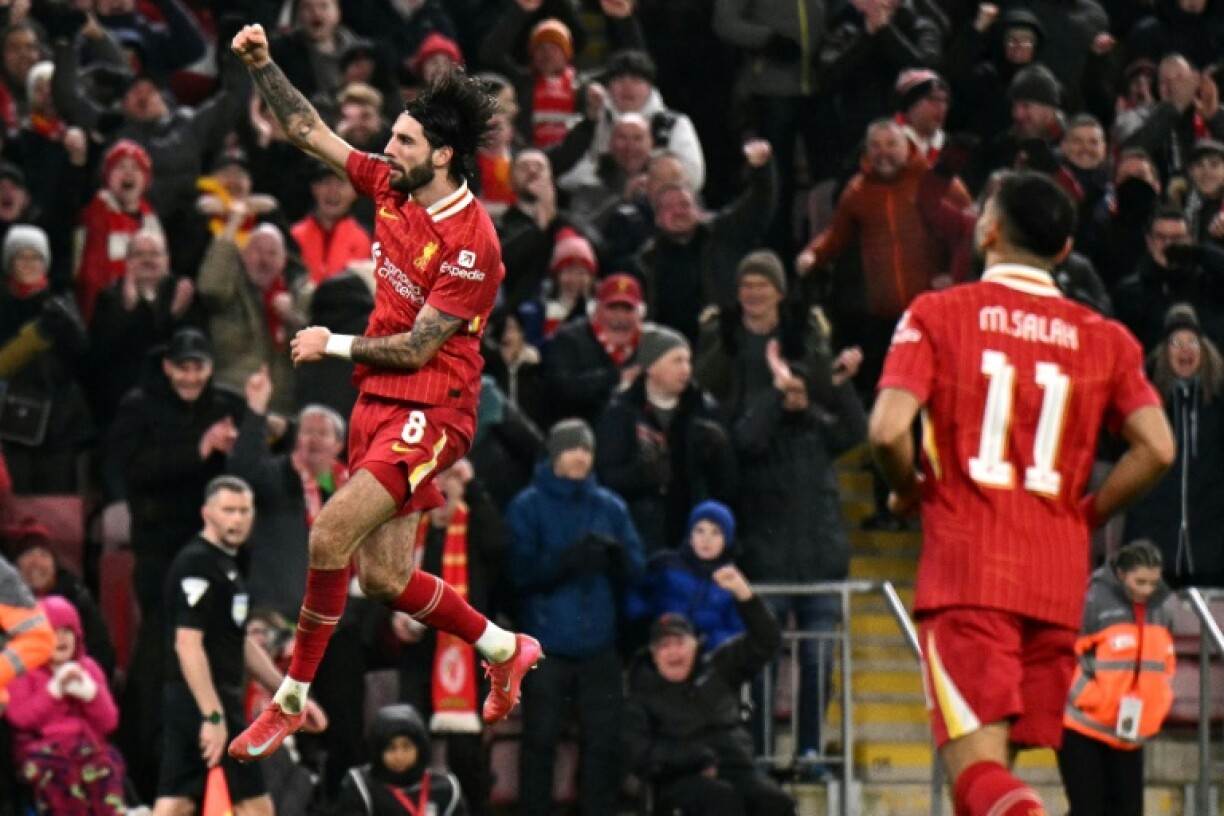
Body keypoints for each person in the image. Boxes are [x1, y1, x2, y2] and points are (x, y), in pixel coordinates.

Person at [227, 23, 541, 763]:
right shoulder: (393, 185)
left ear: (442, 154)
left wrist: (330, 342)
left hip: (433, 407)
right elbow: (307, 130)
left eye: (402, 141)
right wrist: (264, 64)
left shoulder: (473, 242)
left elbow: (420, 346)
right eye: (391, 138)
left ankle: (289, 699)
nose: (386, 150)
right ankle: (504, 645)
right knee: (384, 576)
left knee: (328, 536)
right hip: (378, 402)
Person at [867, 170, 1176, 816]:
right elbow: (1157, 447)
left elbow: (888, 431)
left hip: (970, 572)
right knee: (989, 788)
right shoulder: (1106, 339)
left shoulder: (938, 314)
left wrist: (907, 490)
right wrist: (1086, 514)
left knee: (977, 777)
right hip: (1057, 584)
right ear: (1064, 250)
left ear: (988, 230)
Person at [152, 476, 326, 816]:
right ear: (206, 513)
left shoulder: (225, 564)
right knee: (253, 805)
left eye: (244, 510)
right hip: (201, 700)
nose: (237, 519)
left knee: (180, 801)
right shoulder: (196, 564)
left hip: (212, 700)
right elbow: (187, 644)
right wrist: (212, 714)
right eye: (228, 510)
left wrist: (288, 695)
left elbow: (239, 640)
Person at [504, 418, 646, 816]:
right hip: (546, 645)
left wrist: (619, 559)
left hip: (600, 644)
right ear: (554, 454)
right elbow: (517, 574)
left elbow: (638, 570)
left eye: (586, 449)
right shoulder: (527, 506)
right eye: (572, 448)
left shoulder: (611, 507)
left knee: (605, 743)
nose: (580, 456)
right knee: (540, 741)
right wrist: (566, 561)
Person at [624, 571, 795, 816]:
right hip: (681, 778)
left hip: (735, 767)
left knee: (776, 802)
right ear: (653, 654)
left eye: (680, 643)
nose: (673, 653)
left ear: (695, 645)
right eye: (664, 646)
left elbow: (767, 641)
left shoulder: (718, 667)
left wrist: (745, 595)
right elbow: (640, 753)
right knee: (721, 800)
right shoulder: (642, 694)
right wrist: (694, 757)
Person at [1057, 540, 1176, 816]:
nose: (1147, 590)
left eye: (1153, 582)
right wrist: (1093, 698)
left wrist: (1159, 700)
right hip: (1084, 726)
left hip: (1130, 731)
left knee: (1129, 810)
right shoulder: (1092, 601)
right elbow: (1066, 656)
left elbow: (1167, 661)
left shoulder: (1162, 609)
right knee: (1087, 810)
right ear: (1121, 575)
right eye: (1140, 582)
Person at [5, 595, 126, 816]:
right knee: (60, 777)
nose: (61, 638)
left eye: (67, 631)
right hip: (41, 751)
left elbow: (109, 722)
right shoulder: (23, 670)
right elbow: (19, 718)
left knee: (106, 765)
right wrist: (53, 691)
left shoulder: (88, 668)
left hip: (86, 747)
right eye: (54, 631)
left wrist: (91, 694)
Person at [332, 703, 468, 816]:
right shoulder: (361, 787)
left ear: (420, 748)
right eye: (390, 748)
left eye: (407, 747)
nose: (399, 756)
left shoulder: (446, 789)